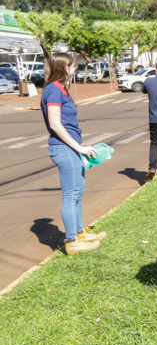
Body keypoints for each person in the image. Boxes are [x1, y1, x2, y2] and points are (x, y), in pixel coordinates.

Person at [40, 53, 107, 255]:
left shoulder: (61, 88)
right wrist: (79, 148)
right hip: (63, 148)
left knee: (78, 191)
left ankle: (79, 232)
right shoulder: (53, 90)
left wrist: (78, 146)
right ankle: (72, 241)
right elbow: (54, 124)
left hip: (70, 147)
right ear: (62, 67)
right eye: (72, 66)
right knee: (70, 195)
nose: (75, 68)